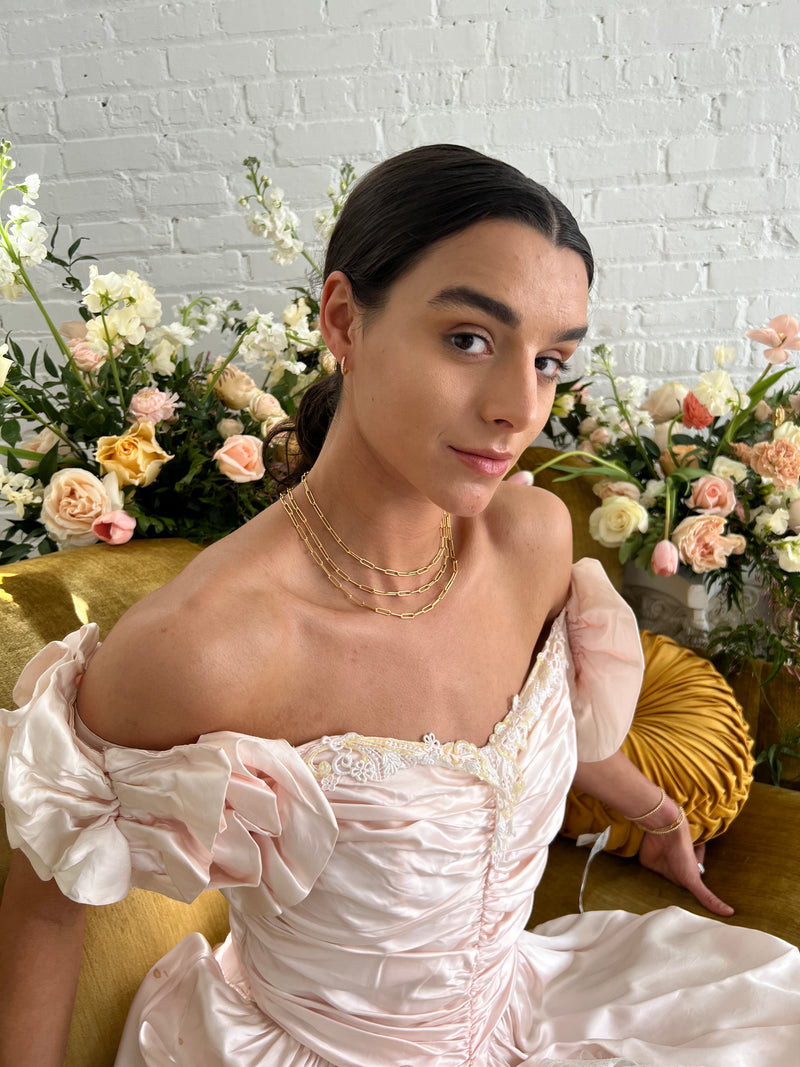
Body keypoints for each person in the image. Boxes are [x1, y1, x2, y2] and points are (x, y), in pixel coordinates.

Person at [1, 144, 798, 1067]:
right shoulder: (210, 643)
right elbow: (46, 902)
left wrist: (655, 812)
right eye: (469, 339)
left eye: (550, 361)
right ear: (344, 319)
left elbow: (541, 726)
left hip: (522, 1010)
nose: (518, 407)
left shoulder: (533, 537)